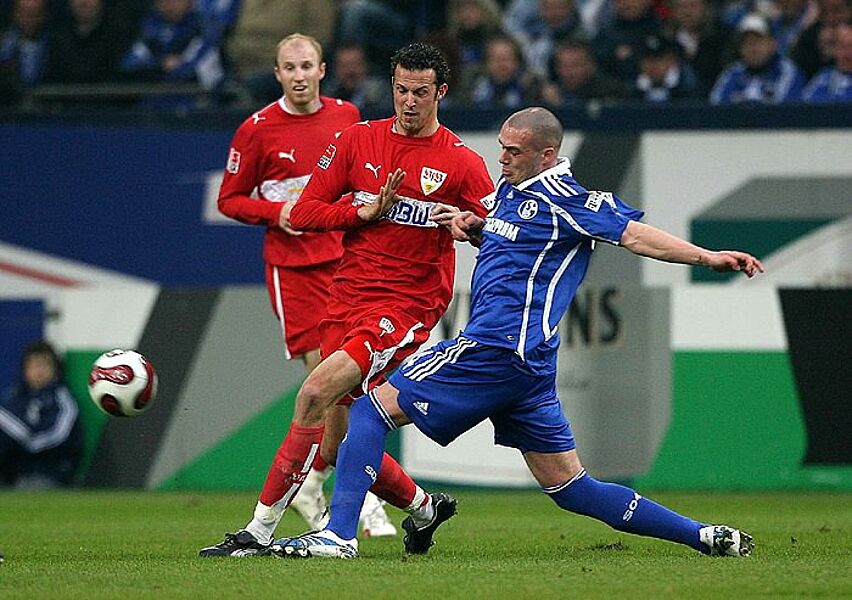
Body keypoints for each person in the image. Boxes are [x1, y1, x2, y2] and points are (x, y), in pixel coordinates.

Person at [270, 106, 763, 560]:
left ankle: (338, 536)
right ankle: (704, 535)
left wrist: (708, 257)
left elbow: (635, 236)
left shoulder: (568, 200)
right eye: (501, 147)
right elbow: (510, 241)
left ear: (546, 155)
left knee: (367, 410)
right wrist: (473, 227)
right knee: (571, 488)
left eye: (513, 151)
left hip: (494, 348)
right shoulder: (509, 194)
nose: (501, 158)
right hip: (530, 369)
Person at [199, 42, 494, 558]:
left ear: (441, 93)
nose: (409, 102)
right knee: (336, 446)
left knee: (314, 391)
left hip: (404, 306)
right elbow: (305, 212)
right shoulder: (358, 140)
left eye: (420, 93)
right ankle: (426, 509)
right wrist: (360, 214)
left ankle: (260, 531)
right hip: (346, 297)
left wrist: (471, 228)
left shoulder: (462, 162)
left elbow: (503, 232)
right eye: (401, 90)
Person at [212, 33, 395, 539]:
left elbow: (360, 176)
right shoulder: (255, 130)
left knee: (352, 384)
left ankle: (317, 483)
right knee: (330, 380)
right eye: (289, 67)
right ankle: (359, 498)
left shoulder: (346, 116)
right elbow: (229, 199)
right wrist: (278, 212)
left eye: (306, 66)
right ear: (277, 73)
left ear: (322, 70)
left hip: (344, 260)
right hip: (293, 270)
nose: (298, 75)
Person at [0, 340, 84, 489]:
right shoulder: (14, 396)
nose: (38, 371)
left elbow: (51, 438)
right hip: (12, 473)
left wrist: (12, 428)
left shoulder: (62, 399)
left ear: (55, 369)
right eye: (33, 365)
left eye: (44, 365)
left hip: (49, 473)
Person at [710, 13, 806, 104]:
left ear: (772, 44)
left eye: (758, 41)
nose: (752, 48)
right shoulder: (732, 74)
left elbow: (786, 111)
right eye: (746, 42)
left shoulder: (787, 73)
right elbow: (716, 108)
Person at [801, 23, 852, 102]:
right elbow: (803, 105)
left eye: (850, 47)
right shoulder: (823, 78)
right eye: (841, 47)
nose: (846, 54)